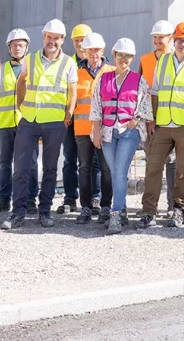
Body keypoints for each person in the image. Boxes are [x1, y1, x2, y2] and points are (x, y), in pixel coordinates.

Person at [0, 19, 78, 230]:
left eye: (56, 38)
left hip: (55, 121)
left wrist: (69, 113)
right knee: (21, 167)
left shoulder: (69, 63)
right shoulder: (31, 58)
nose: (51, 41)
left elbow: (73, 91)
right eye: (48, 36)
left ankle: (45, 212)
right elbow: (21, 80)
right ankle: (18, 213)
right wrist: (21, 106)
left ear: (62, 39)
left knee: (50, 169)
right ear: (43, 36)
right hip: (30, 120)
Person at [137, 22, 184, 229]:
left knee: (183, 170)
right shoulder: (164, 61)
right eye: (179, 40)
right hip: (163, 125)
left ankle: (178, 210)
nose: (182, 44)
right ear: (174, 41)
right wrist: (152, 120)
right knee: (152, 168)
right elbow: (156, 91)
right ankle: (149, 212)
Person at [91, 38, 149, 235]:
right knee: (116, 172)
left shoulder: (139, 80)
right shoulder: (104, 79)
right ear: (114, 55)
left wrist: (136, 119)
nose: (123, 59)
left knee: (118, 170)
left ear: (132, 58)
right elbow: (96, 106)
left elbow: (146, 104)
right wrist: (96, 130)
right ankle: (122, 210)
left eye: (128, 56)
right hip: (107, 132)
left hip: (128, 132)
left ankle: (115, 215)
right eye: (120, 55)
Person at [0, 28, 38, 215]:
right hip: (4, 124)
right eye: (14, 45)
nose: (17, 48)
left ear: (26, 47)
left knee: (30, 163)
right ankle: (3, 200)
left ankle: (31, 199)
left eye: (21, 45)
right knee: (4, 163)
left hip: (28, 124)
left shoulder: (34, 69)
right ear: (9, 48)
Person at [73, 32, 114, 224]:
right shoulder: (76, 72)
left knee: (106, 169)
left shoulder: (112, 71)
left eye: (97, 50)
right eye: (90, 50)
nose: (94, 53)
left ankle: (105, 206)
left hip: (105, 129)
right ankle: (86, 208)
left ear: (103, 50)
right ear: (84, 51)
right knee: (84, 168)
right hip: (82, 128)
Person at [139, 20, 177, 213]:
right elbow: (139, 91)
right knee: (152, 163)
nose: (156, 41)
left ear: (170, 38)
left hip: (172, 120)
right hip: (150, 122)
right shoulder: (145, 60)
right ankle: (150, 206)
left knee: (172, 163)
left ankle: (172, 205)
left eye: (160, 37)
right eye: (154, 38)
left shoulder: (178, 60)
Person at [57, 23, 91, 214]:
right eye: (77, 40)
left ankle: (94, 198)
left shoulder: (99, 64)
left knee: (91, 161)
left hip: (88, 120)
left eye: (83, 40)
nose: (80, 44)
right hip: (69, 119)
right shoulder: (66, 63)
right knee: (70, 159)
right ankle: (70, 198)